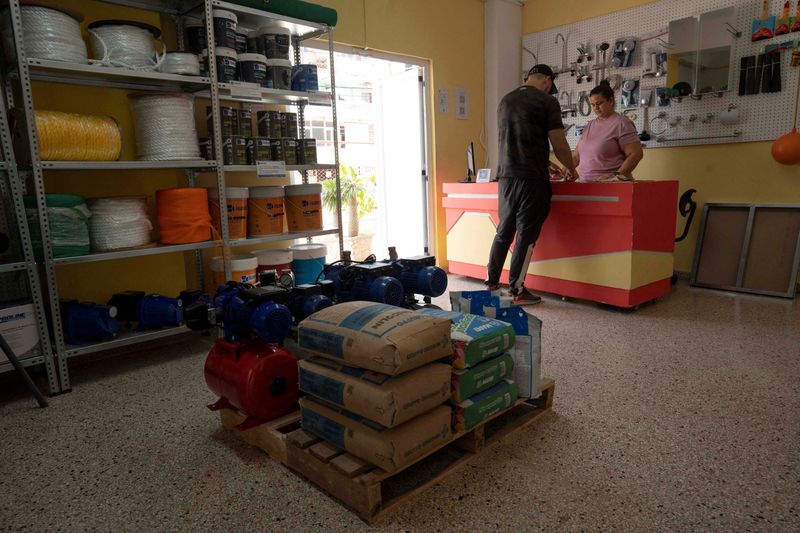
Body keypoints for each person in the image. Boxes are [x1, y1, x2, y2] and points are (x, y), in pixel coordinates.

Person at [485, 64, 577, 304]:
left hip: (506, 177)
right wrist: (571, 167)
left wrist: (547, 162)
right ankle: (517, 290)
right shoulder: (547, 102)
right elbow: (558, 143)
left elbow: (519, 142)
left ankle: (492, 281)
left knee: (504, 231)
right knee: (526, 235)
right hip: (532, 180)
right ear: (547, 80)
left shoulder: (505, 101)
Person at [571, 80, 643, 182]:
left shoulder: (622, 123)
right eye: (592, 104)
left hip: (610, 187)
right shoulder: (589, 125)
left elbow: (636, 154)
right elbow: (576, 156)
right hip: (585, 186)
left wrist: (616, 176)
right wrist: (566, 169)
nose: (596, 108)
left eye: (599, 103)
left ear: (610, 101)